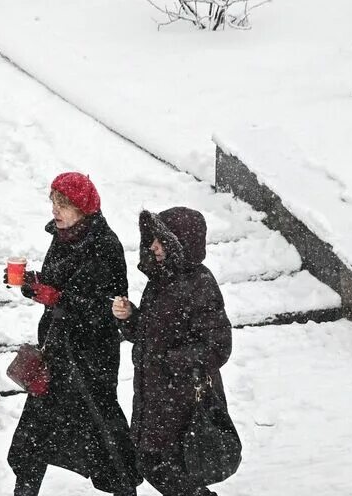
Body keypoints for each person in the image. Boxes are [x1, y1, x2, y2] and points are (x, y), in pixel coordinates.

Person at [7, 172, 141, 496]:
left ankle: (125, 489)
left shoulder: (105, 246)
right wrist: (31, 284)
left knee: (102, 429)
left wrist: (59, 298)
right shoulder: (62, 236)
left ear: (83, 208)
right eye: (53, 201)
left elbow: (109, 308)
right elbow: (56, 283)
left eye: (63, 204)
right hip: (56, 352)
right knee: (34, 432)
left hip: (90, 357)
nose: (55, 210)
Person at [111, 208, 235, 496]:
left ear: (180, 243)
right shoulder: (160, 282)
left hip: (180, 400)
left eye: (160, 240)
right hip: (154, 396)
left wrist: (169, 362)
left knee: (162, 465)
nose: (153, 246)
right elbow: (152, 334)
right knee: (152, 461)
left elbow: (218, 346)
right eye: (152, 239)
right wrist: (130, 318)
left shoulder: (199, 283)